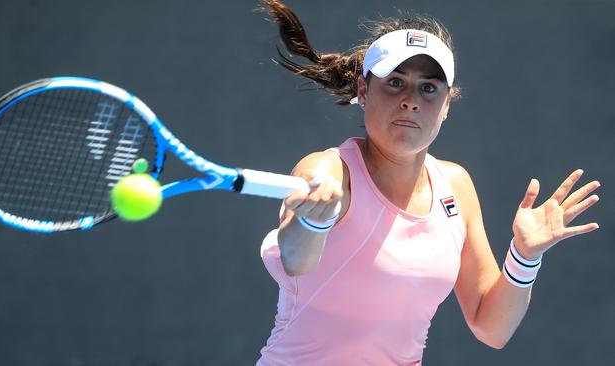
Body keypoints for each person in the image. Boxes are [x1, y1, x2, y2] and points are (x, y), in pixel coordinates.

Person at [256, 1, 601, 365]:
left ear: (448, 103)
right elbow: (295, 259)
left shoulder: (456, 185)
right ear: (363, 90)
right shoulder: (327, 170)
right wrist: (315, 217)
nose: (410, 102)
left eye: (429, 88)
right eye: (395, 83)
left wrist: (525, 256)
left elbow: (492, 328)